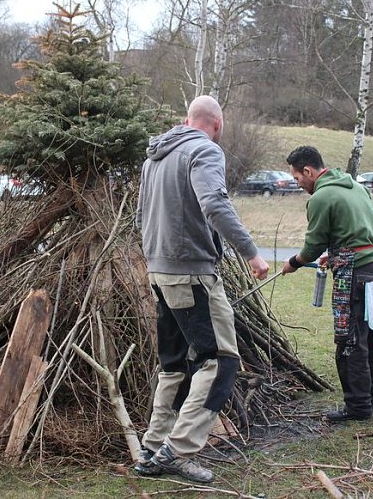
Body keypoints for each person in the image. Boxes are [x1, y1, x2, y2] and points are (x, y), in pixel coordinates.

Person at [134, 95, 270, 483]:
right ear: (218, 126)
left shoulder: (153, 158)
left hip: (158, 273)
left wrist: (156, 260)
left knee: (174, 362)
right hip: (191, 275)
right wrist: (251, 254)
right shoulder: (205, 151)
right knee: (220, 362)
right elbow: (214, 203)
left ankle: (152, 446)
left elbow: (140, 217)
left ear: (186, 119)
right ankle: (176, 452)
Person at [280, 146, 373, 422]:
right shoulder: (355, 186)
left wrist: (294, 262)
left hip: (355, 275)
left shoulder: (321, 197)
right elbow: (361, 232)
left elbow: (312, 245)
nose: (299, 185)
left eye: (297, 179)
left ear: (308, 171)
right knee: (371, 334)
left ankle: (357, 407)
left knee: (350, 340)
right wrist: (336, 254)